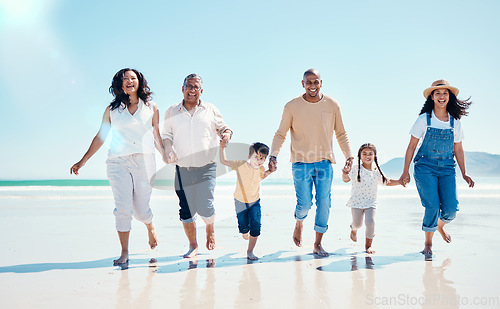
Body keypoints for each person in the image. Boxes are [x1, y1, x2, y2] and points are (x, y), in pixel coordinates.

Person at [70, 68, 166, 265]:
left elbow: (156, 136)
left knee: (140, 210)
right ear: (119, 84)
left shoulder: (151, 107)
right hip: (117, 162)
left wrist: (166, 156)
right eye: (125, 79)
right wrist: (83, 161)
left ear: (139, 81)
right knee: (122, 208)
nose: (129, 81)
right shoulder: (112, 110)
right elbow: (101, 136)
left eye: (133, 78)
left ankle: (149, 225)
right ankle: (124, 252)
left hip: (144, 161)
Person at [269, 68, 354, 257]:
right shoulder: (291, 106)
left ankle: (317, 244)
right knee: (305, 204)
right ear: (303, 84)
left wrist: (348, 156)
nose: (312, 86)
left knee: (324, 203)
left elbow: (341, 133)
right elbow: (280, 134)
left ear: (321, 83)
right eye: (309, 82)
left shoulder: (333, 105)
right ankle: (299, 222)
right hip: (300, 163)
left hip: (324, 163)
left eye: (316, 82)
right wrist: (273, 155)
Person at [399, 79, 474, 256]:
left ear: (449, 97)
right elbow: (411, 146)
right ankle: (428, 244)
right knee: (432, 206)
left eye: (445, 93)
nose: (441, 96)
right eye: (438, 93)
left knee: (450, 210)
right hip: (425, 166)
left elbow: (458, 148)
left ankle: (439, 226)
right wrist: (405, 171)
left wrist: (464, 172)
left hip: (447, 168)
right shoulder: (423, 119)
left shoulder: (455, 122)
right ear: (432, 97)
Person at [162, 73, 232, 258]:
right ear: (182, 88)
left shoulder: (210, 109)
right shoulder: (172, 111)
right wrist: (168, 149)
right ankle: (193, 245)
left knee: (205, 206)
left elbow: (224, 127)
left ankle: (210, 228)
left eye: (196, 87)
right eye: (189, 86)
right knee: (185, 209)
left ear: (201, 91)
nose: (192, 90)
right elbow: (166, 136)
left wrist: (226, 135)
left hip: (207, 166)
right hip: (182, 167)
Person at [219, 142, 276, 260]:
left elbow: (261, 176)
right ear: (249, 156)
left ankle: (250, 251)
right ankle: (245, 231)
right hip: (240, 201)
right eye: (256, 157)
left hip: (255, 201)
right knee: (243, 227)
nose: (258, 161)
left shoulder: (261, 169)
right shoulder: (241, 165)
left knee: (256, 226)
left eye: (262, 158)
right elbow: (224, 161)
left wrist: (270, 171)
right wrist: (222, 148)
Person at [342, 143, 401, 254]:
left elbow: (386, 182)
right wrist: (345, 173)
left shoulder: (377, 171)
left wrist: (399, 181)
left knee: (370, 222)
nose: (367, 155)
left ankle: (368, 246)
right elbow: (346, 179)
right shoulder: (355, 169)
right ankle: (353, 229)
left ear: (374, 156)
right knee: (357, 224)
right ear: (360, 156)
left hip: (371, 203)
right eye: (364, 153)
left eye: (370, 153)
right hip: (356, 202)